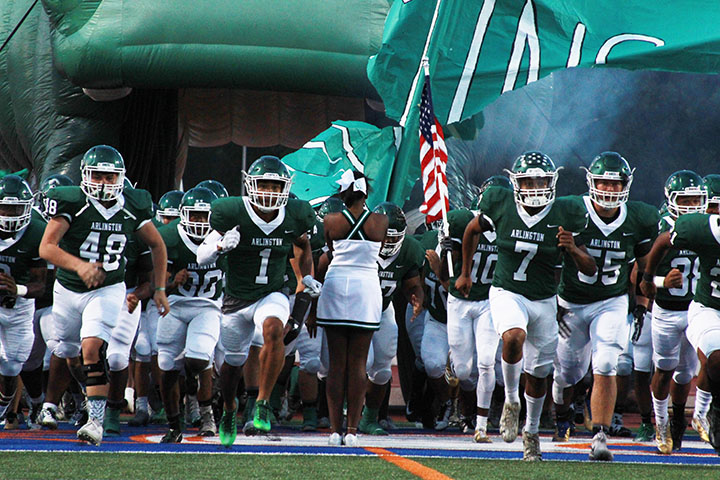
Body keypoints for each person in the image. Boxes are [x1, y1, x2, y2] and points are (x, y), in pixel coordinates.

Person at [455, 151, 596, 461]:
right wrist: (465, 272)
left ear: (552, 182)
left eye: (541, 180)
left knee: (538, 373)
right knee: (513, 337)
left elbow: (590, 268)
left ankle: (531, 432)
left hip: (544, 299)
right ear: (516, 182)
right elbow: (471, 230)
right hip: (507, 291)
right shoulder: (500, 202)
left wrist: (572, 248)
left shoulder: (566, 212)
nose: (535, 187)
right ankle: (509, 401)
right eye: (528, 180)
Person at [38, 145, 169, 446]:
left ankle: (96, 421)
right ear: (85, 176)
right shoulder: (73, 202)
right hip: (68, 289)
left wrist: (159, 289)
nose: (103, 183)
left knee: (94, 348)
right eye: (97, 175)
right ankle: (89, 399)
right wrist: (80, 266)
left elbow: (158, 246)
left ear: (121, 178)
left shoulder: (133, 205)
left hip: (109, 288)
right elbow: (46, 247)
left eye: (110, 177)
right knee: (71, 356)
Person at [196, 155, 317, 446]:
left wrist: (306, 276)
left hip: (271, 292)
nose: (269, 192)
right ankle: (228, 409)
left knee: (275, 330)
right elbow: (201, 256)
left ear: (285, 189)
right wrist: (221, 245)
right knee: (233, 364)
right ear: (251, 184)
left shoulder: (295, 214)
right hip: (236, 299)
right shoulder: (231, 212)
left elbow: (303, 245)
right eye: (263, 184)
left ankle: (262, 403)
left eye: (276, 186)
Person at [552, 152, 659, 460]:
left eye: (616, 184)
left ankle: (599, 435)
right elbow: (553, 257)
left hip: (610, 300)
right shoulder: (573, 210)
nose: (610, 190)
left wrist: (641, 299)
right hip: (571, 301)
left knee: (607, 362)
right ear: (592, 182)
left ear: (627, 185)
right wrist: (553, 300)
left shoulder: (638, 217)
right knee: (566, 375)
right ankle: (562, 414)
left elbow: (641, 265)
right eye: (604, 183)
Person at [315, 169, 388, 446]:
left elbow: (330, 253)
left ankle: (335, 430)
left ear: (344, 192)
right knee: (358, 364)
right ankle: (353, 431)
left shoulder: (331, 220)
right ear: (365, 192)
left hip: (336, 285)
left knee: (337, 363)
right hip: (366, 287)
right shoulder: (380, 221)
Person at [640, 207, 720, 455]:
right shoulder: (700, 228)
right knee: (665, 369)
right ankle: (662, 424)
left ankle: (694, 417)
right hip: (675, 310)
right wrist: (656, 280)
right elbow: (638, 274)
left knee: (685, 374)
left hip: (693, 308)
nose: (690, 204)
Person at [443, 175, 512, 443]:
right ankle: (453, 362)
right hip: (460, 300)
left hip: (489, 301)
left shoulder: (511, 225)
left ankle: (481, 426)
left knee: (486, 364)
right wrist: (449, 251)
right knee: (463, 370)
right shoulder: (461, 220)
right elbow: (444, 272)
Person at [157, 187, 223, 443]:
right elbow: (155, 280)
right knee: (166, 366)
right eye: (193, 215)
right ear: (183, 215)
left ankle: (206, 414)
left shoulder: (225, 238)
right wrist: (172, 281)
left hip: (207, 306)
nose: (198, 222)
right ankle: (174, 425)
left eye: (203, 216)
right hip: (175, 303)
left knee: (197, 359)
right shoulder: (169, 236)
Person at [357, 202, 424, 436]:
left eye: (392, 237)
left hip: (384, 310)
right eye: (382, 235)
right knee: (361, 364)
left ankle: (369, 418)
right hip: (357, 310)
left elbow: (412, 282)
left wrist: (416, 299)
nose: (386, 242)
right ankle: (351, 414)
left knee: (383, 369)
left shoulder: (408, 250)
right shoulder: (358, 243)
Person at [0, 176, 48, 425]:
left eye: (16, 207)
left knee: (12, 365)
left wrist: (15, 288)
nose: (9, 213)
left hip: (18, 308)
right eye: (5, 207)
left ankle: (5, 404)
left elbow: (41, 286)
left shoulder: (37, 231)